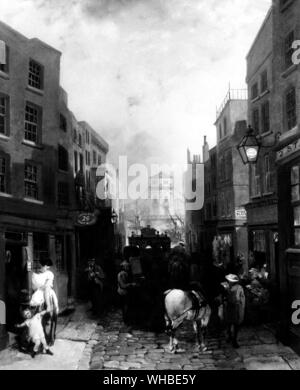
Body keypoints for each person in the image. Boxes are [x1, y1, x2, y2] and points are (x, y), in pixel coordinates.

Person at [221, 274, 245, 348]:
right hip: (228, 306)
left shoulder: (239, 288)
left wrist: (242, 307)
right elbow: (222, 296)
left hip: (236, 307)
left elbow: (242, 298)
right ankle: (229, 336)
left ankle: (234, 340)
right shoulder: (225, 287)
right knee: (228, 323)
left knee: (236, 324)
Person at [117, 261, 136, 327]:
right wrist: (131, 284)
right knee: (125, 307)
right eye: (126, 266)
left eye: (128, 266)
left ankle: (127, 320)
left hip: (125, 293)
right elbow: (123, 285)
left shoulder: (126, 273)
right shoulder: (121, 274)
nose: (128, 267)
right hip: (123, 293)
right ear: (123, 267)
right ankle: (126, 321)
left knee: (127, 307)